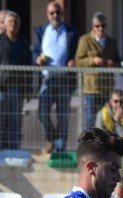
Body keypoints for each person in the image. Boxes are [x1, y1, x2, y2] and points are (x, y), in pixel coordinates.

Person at [33, 2, 78, 155]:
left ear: (62, 14)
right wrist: (37, 58)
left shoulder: (71, 31)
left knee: (63, 116)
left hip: (64, 79)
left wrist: (73, 60)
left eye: (58, 12)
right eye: (52, 13)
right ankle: (52, 139)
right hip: (47, 79)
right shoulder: (42, 31)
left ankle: (61, 148)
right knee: (42, 112)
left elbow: (76, 53)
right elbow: (35, 52)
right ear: (48, 15)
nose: (55, 15)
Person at [0, 10, 30, 154]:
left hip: (17, 89)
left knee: (15, 123)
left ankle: (13, 152)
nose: (13, 24)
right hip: (0, 89)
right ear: (5, 24)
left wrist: (29, 89)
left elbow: (28, 67)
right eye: (10, 21)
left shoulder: (23, 42)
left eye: (15, 22)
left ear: (19, 25)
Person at [75, 13, 119, 131]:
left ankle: (105, 142)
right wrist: (92, 60)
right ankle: (89, 142)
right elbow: (78, 61)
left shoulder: (111, 42)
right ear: (93, 26)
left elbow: (118, 61)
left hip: (107, 87)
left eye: (103, 26)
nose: (100, 29)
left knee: (107, 120)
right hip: (91, 88)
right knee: (90, 120)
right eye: (97, 26)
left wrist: (112, 64)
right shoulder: (85, 40)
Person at [95, 90, 123, 198]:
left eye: (121, 102)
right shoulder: (102, 114)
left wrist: (118, 122)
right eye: (116, 102)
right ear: (111, 101)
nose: (119, 105)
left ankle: (121, 187)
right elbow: (99, 137)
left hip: (122, 148)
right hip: (106, 147)